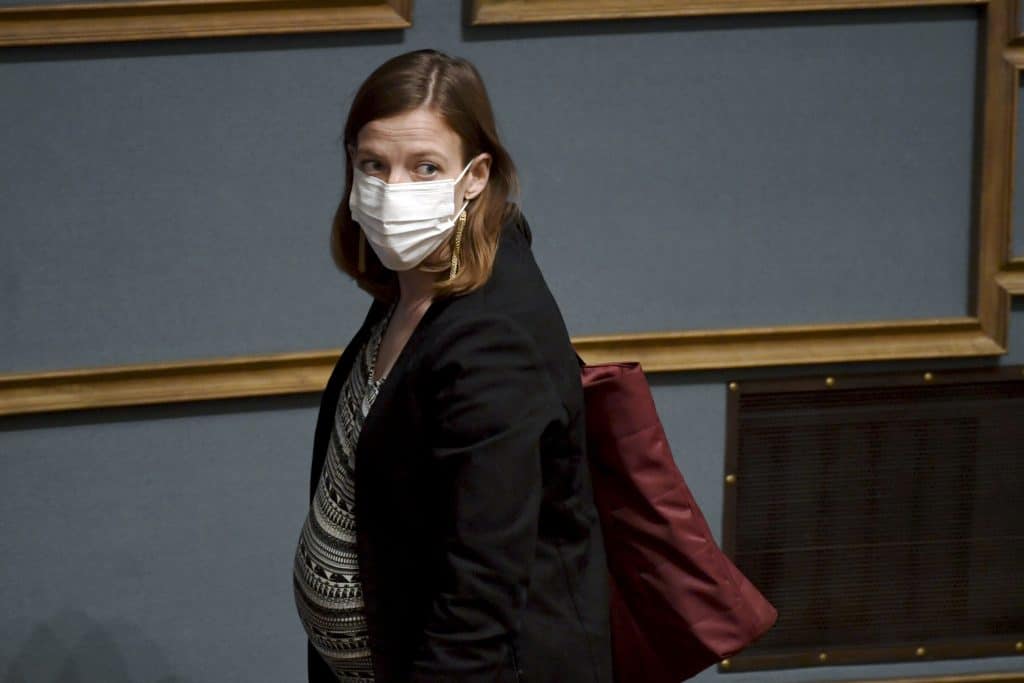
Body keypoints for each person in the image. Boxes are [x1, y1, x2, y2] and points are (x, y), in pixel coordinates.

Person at [292, 48, 614, 683]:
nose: (393, 191)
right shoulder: (415, 280)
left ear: (474, 176)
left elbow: (479, 596)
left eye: (426, 167)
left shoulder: (493, 341)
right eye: (373, 165)